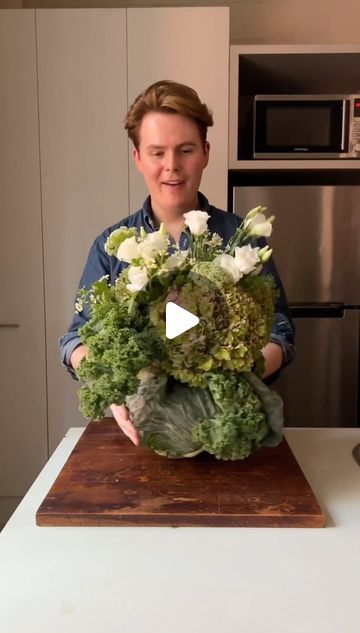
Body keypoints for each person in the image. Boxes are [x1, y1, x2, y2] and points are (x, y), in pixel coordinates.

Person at [59, 80, 295, 446]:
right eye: (157, 152)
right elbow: (75, 338)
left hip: (230, 430)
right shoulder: (111, 247)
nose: (172, 166)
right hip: (146, 433)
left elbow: (280, 331)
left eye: (185, 150)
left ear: (205, 152)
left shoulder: (243, 240)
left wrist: (232, 374)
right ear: (138, 158)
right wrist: (114, 383)